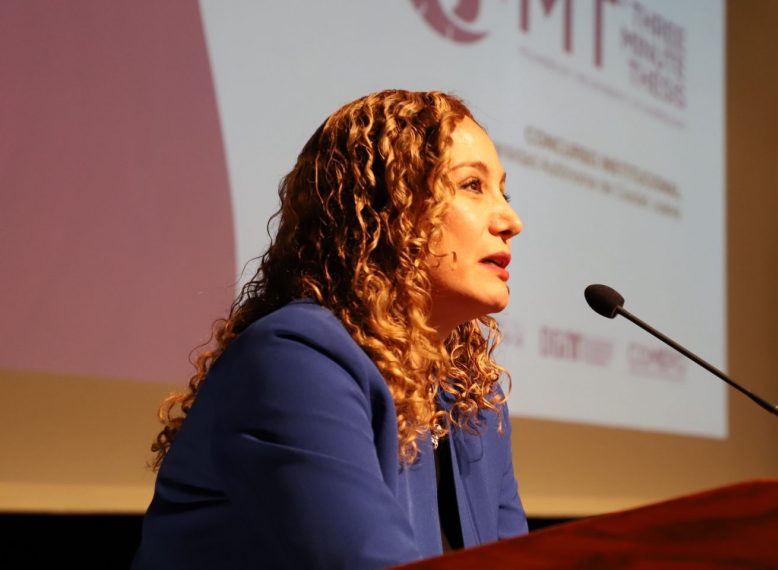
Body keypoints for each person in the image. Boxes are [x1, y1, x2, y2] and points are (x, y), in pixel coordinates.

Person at [133, 90, 527, 569]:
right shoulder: (295, 361)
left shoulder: (473, 399)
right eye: (472, 185)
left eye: (503, 192)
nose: (511, 220)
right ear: (385, 208)